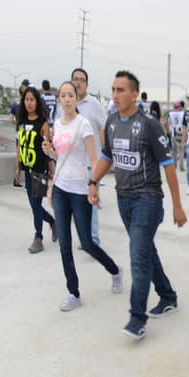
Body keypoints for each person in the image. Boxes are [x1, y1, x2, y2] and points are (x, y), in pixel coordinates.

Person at [89, 70, 186, 341]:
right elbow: (107, 156)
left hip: (148, 198)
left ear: (134, 94)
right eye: (113, 89)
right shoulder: (110, 122)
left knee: (138, 256)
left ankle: (137, 318)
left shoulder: (149, 125)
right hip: (123, 199)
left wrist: (177, 206)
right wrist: (93, 181)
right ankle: (167, 296)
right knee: (145, 250)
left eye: (121, 90)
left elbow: (168, 167)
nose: (116, 95)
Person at [50, 80, 124, 309]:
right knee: (64, 243)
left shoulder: (84, 125)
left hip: (80, 190)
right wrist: (50, 154)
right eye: (63, 95)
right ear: (59, 99)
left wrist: (94, 185)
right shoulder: (57, 124)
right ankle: (74, 293)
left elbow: (94, 160)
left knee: (87, 242)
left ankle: (115, 270)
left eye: (70, 94)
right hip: (61, 188)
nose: (67, 99)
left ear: (76, 98)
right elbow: (59, 158)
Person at [15, 87, 57, 254]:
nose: (29, 103)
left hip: (39, 171)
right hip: (27, 169)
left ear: (37, 102)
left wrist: (51, 168)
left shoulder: (43, 124)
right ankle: (53, 222)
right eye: (26, 99)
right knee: (34, 205)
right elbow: (19, 146)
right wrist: (17, 167)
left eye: (32, 99)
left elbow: (48, 148)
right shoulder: (21, 122)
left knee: (36, 204)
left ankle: (38, 237)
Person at [71, 68, 108, 248]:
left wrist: (106, 158)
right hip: (71, 164)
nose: (78, 82)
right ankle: (84, 238)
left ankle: (93, 240)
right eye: (75, 79)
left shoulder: (94, 104)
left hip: (90, 163)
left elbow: (105, 129)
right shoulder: (66, 103)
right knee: (76, 204)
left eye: (82, 80)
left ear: (87, 84)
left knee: (90, 203)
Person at [167, 100, 186, 172]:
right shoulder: (183, 113)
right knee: (181, 151)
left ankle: (174, 166)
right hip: (180, 133)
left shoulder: (170, 113)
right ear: (180, 107)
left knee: (173, 151)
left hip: (173, 133)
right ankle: (181, 167)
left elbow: (166, 122)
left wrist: (168, 130)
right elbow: (185, 125)